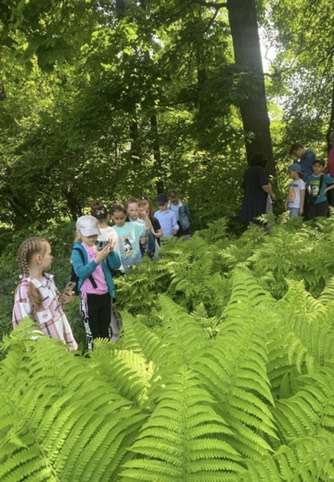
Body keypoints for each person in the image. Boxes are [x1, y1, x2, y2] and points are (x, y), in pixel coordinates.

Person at [12, 236, 78, 350]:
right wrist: (43, 350)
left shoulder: (48, 281)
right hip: (46, 356)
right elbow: (22, 327)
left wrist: (62, 302)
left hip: (61, 346)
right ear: (39, 259)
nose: (52, 257)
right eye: (49, 253)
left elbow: (53, 310)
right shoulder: (24, 290)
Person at [71, 215, 121, 349]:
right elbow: (80, 272)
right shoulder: (78, 251)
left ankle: (107, 360)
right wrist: (96, 260)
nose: (92, 238)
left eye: (94, 234)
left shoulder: (99, 246)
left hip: (105, 294)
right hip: (89, 296)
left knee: (106, 332)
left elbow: (116, 265)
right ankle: (95, 362)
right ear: (79, 233)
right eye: (89, 235)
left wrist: (111, 252)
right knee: (93, 334)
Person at [239, 153, 275, 227]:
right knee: (260, 222)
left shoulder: (247, 172)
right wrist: (272, 194)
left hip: (248, 201)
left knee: (251, 223)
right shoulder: (260, 170)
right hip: (258, 201)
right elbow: (264, 186)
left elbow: (243, 185)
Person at [111, 203, 147, 272]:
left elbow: (147, 227)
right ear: (112, 217)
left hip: (136, 257)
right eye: (116, 218)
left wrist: (145, 216)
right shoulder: (111, 231)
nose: (119, 221)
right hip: (122, 259)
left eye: (122, 218)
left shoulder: (133, 226)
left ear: (126, 215)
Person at [90, 200, 124, 273]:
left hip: (94, 270)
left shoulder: (89, 234)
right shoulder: (112, 232)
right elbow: (117, 253)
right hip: (111, 271)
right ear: (108, 216)